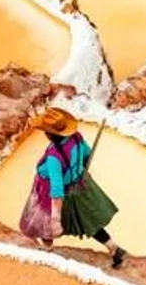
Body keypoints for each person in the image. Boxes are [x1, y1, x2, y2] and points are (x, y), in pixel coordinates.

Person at [19, 108, 128, 268]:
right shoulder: (76, 138)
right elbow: (87, 153)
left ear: (49, 135)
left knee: (43, 222)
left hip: (55, 194)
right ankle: (114, 248)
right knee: (89, 221)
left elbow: (57, 189)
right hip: (80, 185)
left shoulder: (53, 157)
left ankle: (47, 249)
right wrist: (77, 169)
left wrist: (55, 219)